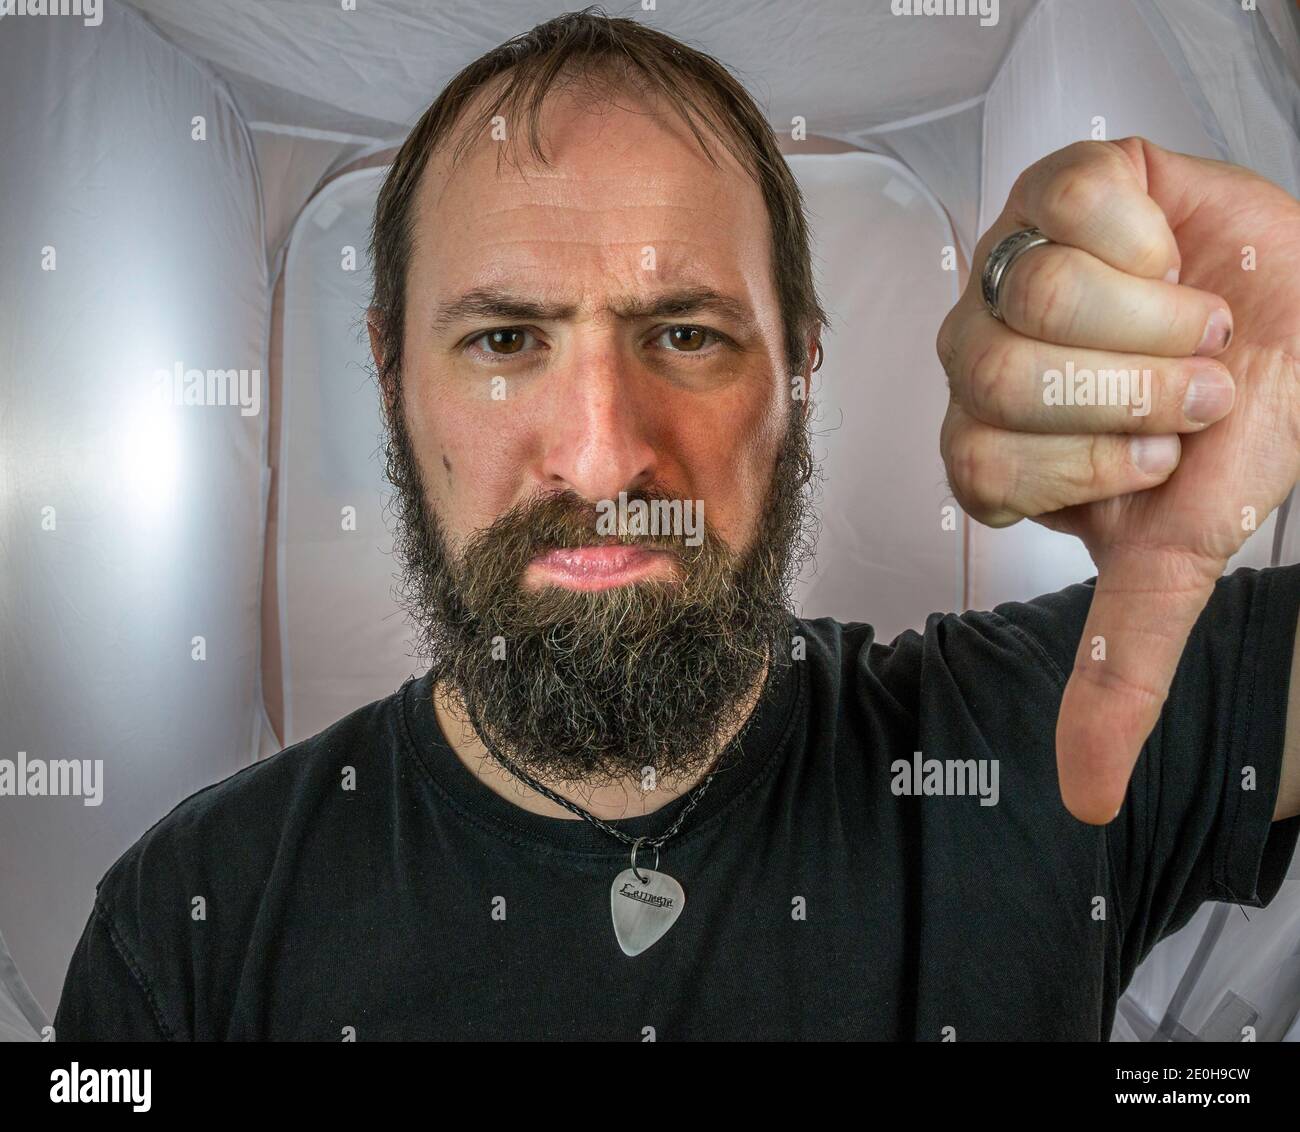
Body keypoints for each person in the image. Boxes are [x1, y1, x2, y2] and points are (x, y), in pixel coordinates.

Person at [55, 9, 1300, 1041]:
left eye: (686, 335)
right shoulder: (187, 927)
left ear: (798, 370)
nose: (601, 454)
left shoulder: (1049, 737)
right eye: (505, 340)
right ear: (390, 376)